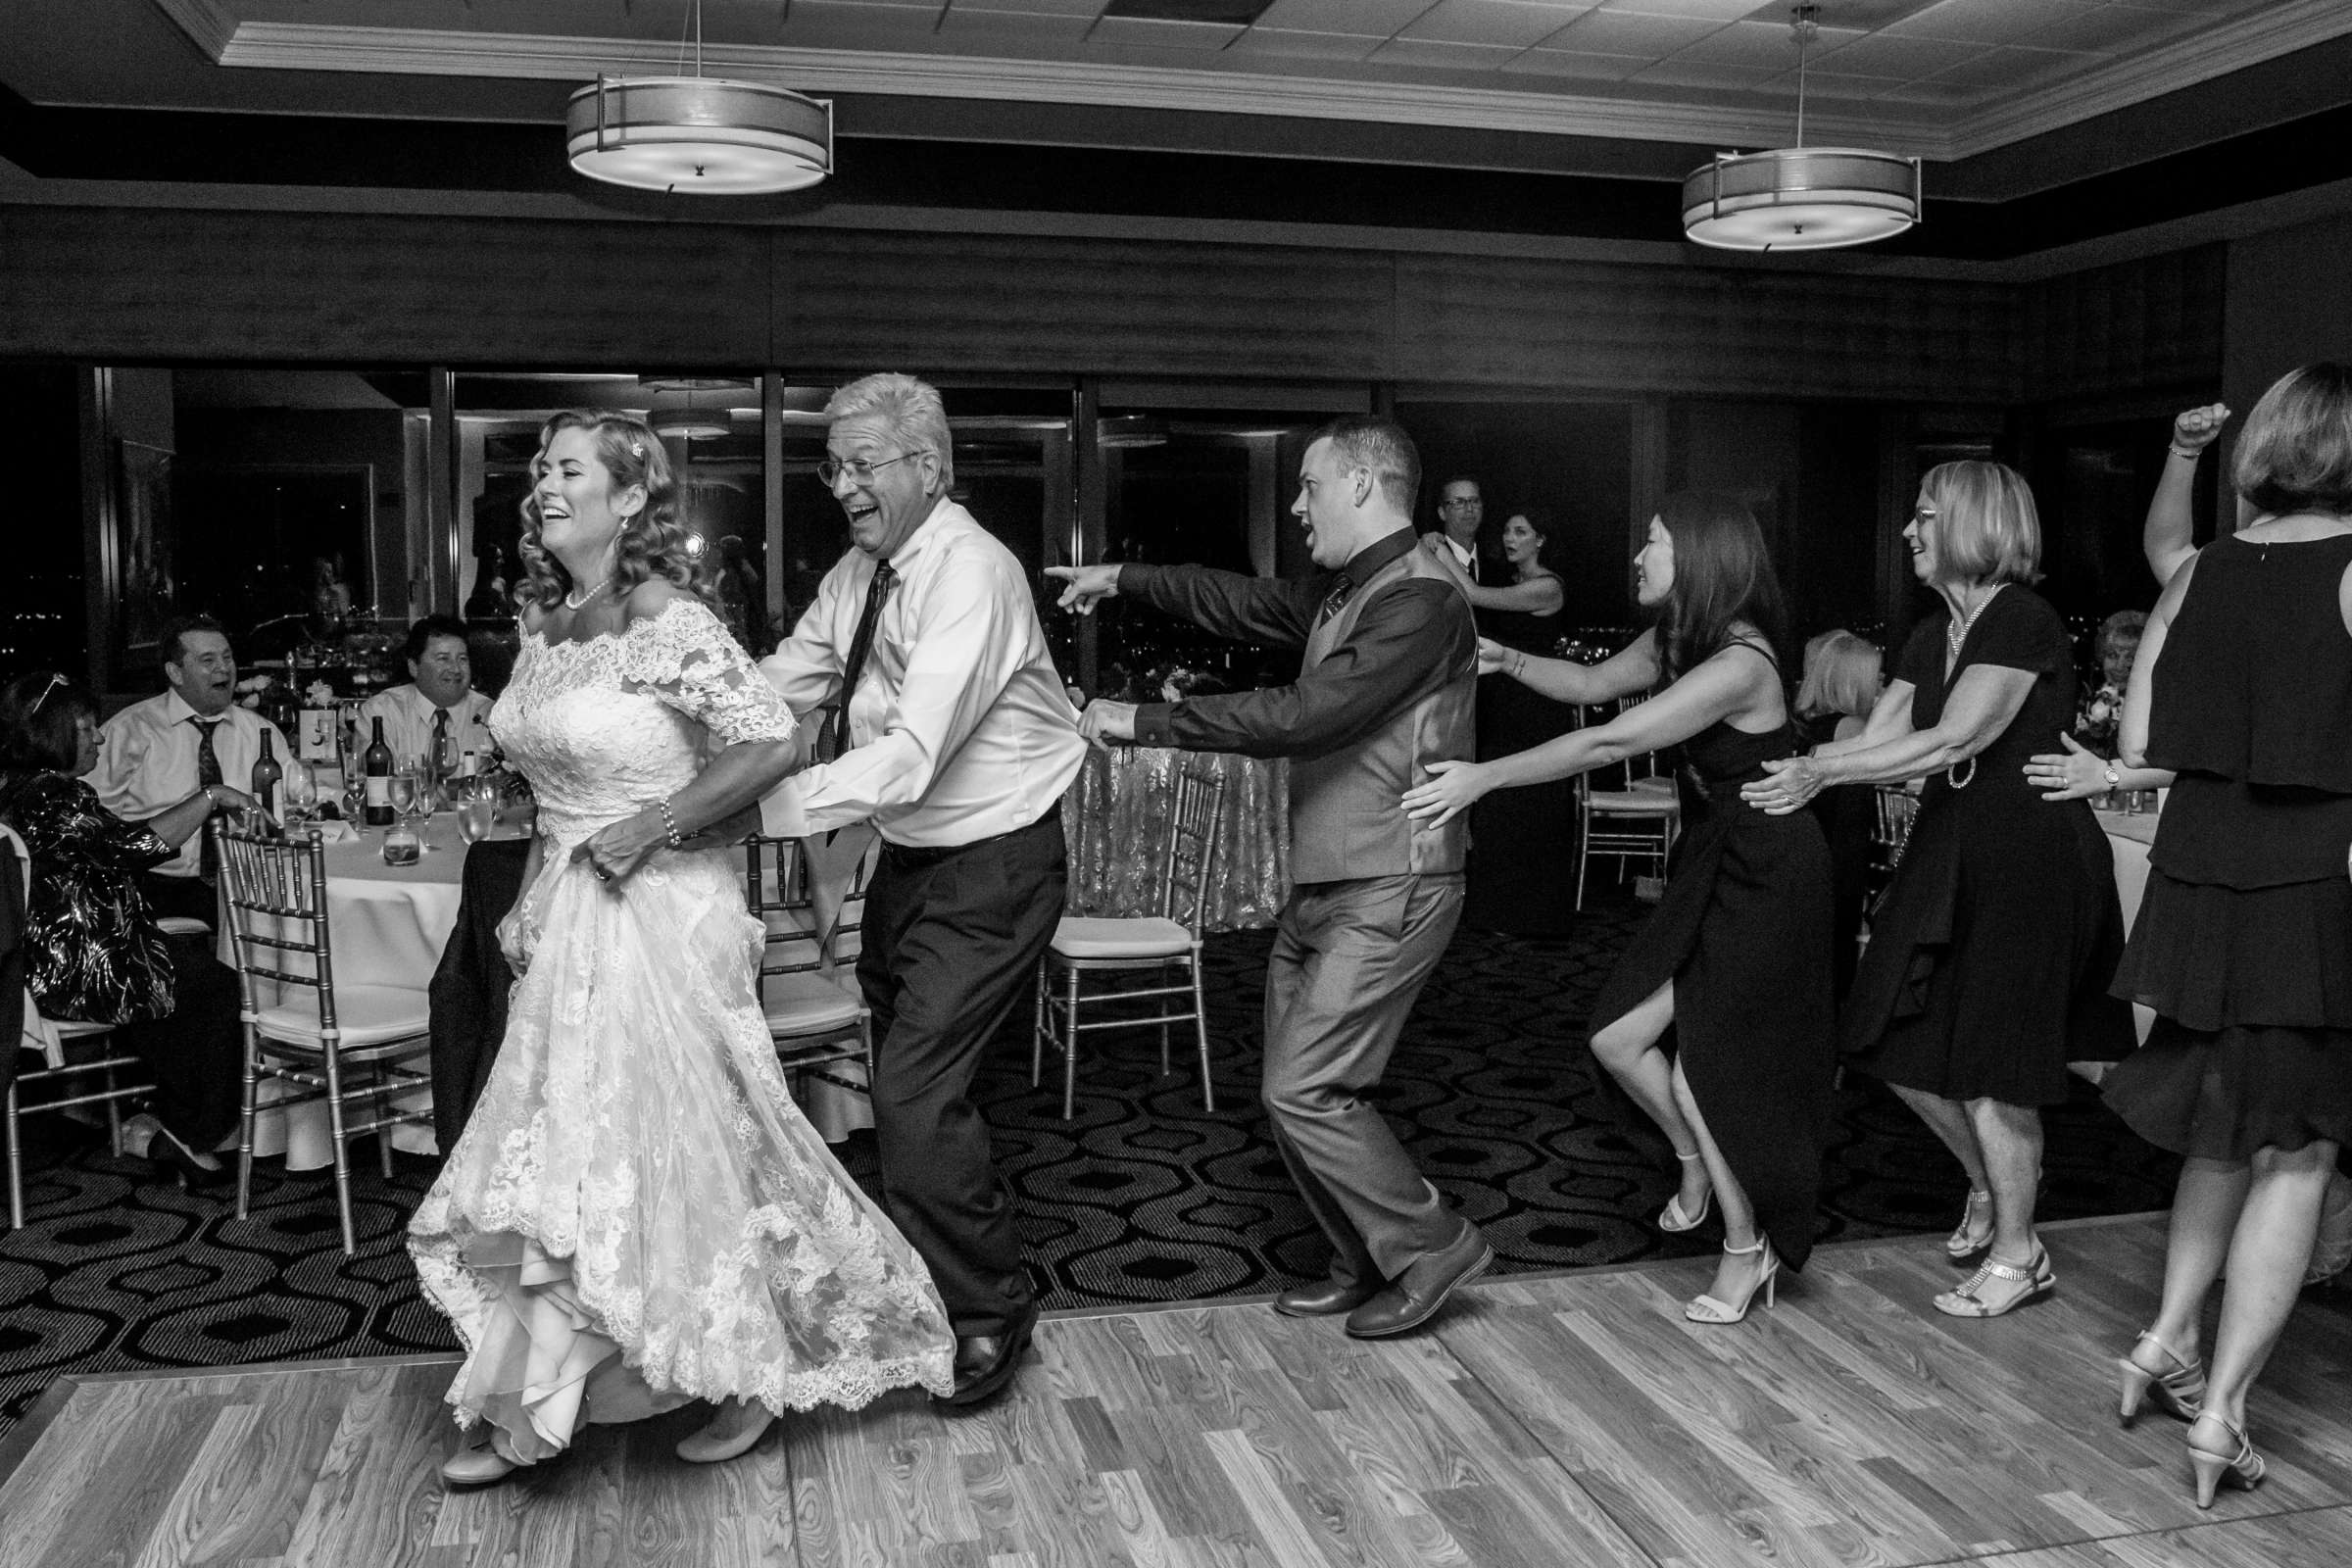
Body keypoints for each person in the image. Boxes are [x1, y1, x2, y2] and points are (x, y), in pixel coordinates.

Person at [407, 411, 954, 1488]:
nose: (545, 485)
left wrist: (652, 827)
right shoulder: (548, 626)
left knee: (683, 1145)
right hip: (568, 911)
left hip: (660, 912)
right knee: (572, 1153)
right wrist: (525, 907)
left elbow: (769, 737)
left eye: (570, 469)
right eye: (541, 471)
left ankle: (744, 1374)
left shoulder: (670, 618)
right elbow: (549, 793)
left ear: (624, 498)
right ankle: (542, 1400)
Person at [1053, 416, 1494, 1340]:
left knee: (1307, 1086)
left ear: (1366, 487)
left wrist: (1143, 721)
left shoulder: (1424, 601)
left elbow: (1311, 712)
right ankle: (1364, 1261)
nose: (1297, 505)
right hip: (1324, 881)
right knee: (1290, 1087)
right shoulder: (1351, 595)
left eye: (1312, 485)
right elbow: (1239, 603)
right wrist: (1125, 577)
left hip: (1394, 879)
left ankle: (1432, 1243)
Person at [1405, 494, 1834, 1326]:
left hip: (1771, 867)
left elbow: (1610, 742)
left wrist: (1484, 777)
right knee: (1617, 1037)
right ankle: (1695, 1161)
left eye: (1655, 543)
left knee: (1698, 1063)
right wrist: (1508, 657)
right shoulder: (1682, 638)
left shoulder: (1740, 660)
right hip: (1718, 855)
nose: (1639, 556)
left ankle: (1747, 1251)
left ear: (1702, 560)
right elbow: (1593, 686)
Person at [755, 373, 1086, 1407]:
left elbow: (910, 756)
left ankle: (990, 1313)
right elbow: (784, 684)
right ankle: (934, 1285)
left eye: (864, 464)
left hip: (995, 862)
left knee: (912, 1092)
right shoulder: (863, 576)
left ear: (929, 468)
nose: (844, 485)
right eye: (834, 465)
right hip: (912, 863)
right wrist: (672, 735)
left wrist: (742, 813)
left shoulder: (971, 573)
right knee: (907, 1075)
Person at [1746, 462, 2136, 1318]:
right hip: (1951, 850)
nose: (1909, 532)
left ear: (1971, 525)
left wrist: (1817, 772)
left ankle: (2018, 1252)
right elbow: (1883, 730)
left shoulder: (2021, 619)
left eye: (1925, 517)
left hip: (2032, 860)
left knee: (1996, 1065)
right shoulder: (1932, 633)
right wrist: (1800, 760)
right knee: (1884, 1031)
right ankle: (1993, 1187)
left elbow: (1954, 739)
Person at [2094, 364, 2352, 1507]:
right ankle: (2224, 1412)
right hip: (2309, 886)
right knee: (2296, 1153)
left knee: (2218, 1129)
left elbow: (2145, 726)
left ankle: (2161, 1339)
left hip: (2198, 877)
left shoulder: (2200, 569)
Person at [0, 671, 256, 1184]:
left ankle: (163, 1115)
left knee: (189, 972)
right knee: (223, 988)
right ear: (54, 736)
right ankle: (188, 1128)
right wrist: (209, 798)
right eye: (87, 728)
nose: (98, 737)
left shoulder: (23, 788)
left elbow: (112, 843)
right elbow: (134, 849)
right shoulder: (52, 798)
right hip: (77, 967)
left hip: (55, 953)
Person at [1423, 510, 1573, 935]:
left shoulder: (1548, 587)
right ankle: (1494, 911)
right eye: (1507, 530)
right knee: (1496, 807)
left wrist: (1439, 550)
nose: (1510, 538)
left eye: (1521, 531)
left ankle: (1535, 916)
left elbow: (1472, 593)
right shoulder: (1512, 583)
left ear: (1540, 539)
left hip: (1535, 705)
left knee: (1530, 805)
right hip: (1501, 703)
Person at [90, 615, 293, 925]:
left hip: (248, 881)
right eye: (208, 660)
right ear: (175, 672)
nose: (223, 668)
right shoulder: (129, 731)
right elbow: (95, 826)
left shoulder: (259, 732)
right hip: (157, 887)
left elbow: (296, 800)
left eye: (227, 657)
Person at [1794, 629, 1885, 1000]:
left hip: (1809, 852)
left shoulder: (1805, 725)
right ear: (1853, 680)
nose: (1882, 682)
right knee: (1835, 953)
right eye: (1875, 676)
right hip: (1837, 855)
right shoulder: (1852, 728)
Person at [359, 614, 497, 772]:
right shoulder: (382, 712)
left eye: (462, 659)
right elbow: (378, 781)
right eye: (443, 659)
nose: (455, 669)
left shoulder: (489, 714)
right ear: (414, 667)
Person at [2075, 611, 2146, 760]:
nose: (2119, 666)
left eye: (2130, 658)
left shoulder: (2155, 709)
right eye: (2112, 656)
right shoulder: (2087, 701)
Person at [1431, 476, 1487, 586]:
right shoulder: (1430, 559)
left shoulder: (1497, 568)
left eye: (1475, 501)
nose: (1470, 509)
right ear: (1442, 513)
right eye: (1459, 502)